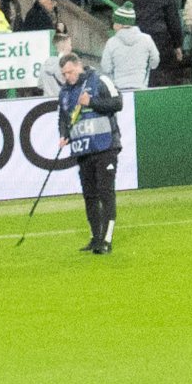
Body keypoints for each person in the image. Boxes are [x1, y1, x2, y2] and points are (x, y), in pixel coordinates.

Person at [51, 49, 124, 254]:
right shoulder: (65, 92)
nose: (68, 77)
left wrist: (91, 102)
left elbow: (118, 103)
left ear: (79, 66)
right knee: (89, 195)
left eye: (70, 72)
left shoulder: (100, 80)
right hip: (82, 149)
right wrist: (64, 133)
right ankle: (95, 237)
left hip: (105, 146)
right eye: (64, 74)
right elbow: (63, 118)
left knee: (105, 192)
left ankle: (106, 240)